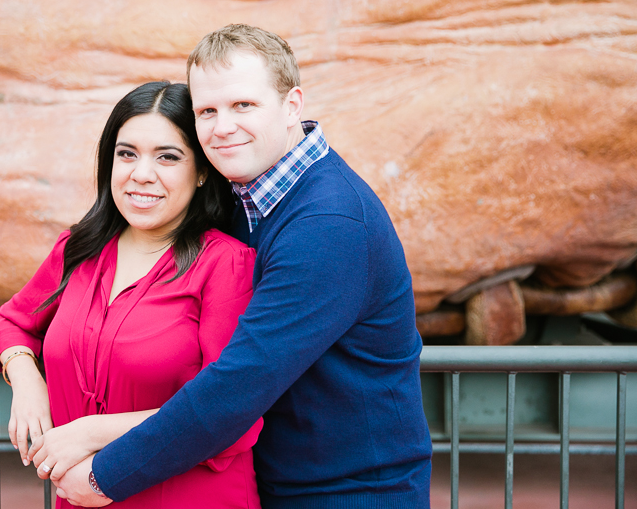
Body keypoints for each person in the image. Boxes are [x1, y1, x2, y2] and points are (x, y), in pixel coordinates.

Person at [53, 25, 433, 509]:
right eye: (207, 111)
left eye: (243, 106)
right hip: (277, 483)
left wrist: (106, 474)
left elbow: (239, 383)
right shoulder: (244, 201)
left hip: (350, 491)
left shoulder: (329, 225)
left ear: (293, 105)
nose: (222, 126)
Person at [0, 80, 264, 509]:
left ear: (203, 170)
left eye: (167, 157)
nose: (142, 174)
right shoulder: (78, 250)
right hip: (78, 496)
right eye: (127, 153)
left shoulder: (225, 265)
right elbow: (13, 322)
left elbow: (232, 416)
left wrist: (90, 432)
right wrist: (25, 380)